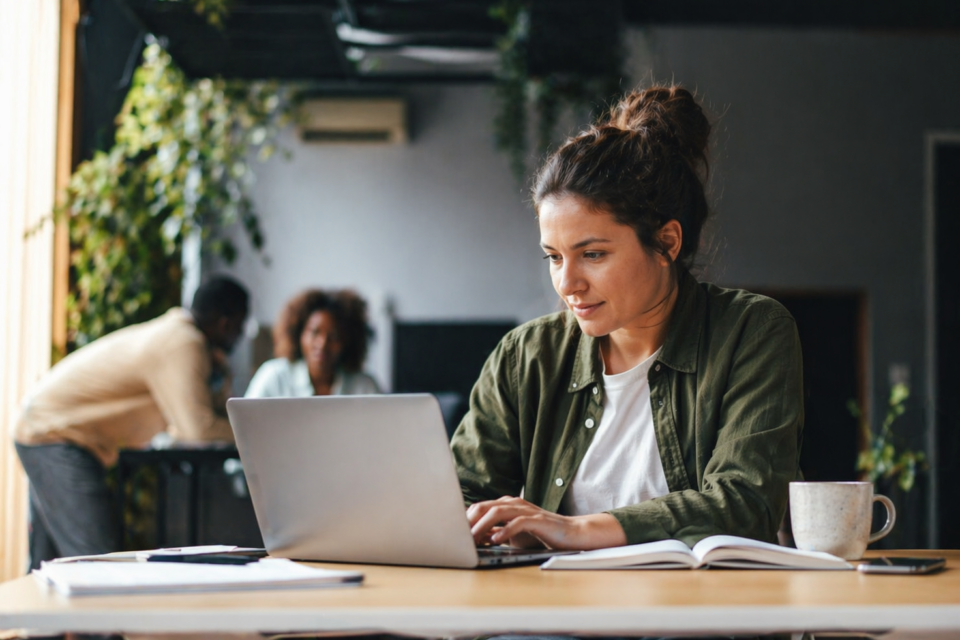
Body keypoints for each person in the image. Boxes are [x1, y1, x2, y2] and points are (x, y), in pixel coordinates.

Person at [452, 85, 804, 552]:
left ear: (667, 243)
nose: (568, 283)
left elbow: (744, 503)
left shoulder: (750, 332)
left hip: (699, 616)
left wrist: (574, 529)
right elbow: (456, 496)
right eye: (553, 258)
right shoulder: (526, 357)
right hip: (556, 619)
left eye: (592, 254)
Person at [14, 275, 250, 570]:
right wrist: (255, 437)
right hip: (54, 434)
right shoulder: (182, 343)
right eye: (240, 326)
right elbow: (198, 429)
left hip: (44, 427)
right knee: (97, 565)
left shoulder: (176, 335)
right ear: (226, 323)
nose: (239, 336)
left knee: (45, 567)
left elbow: (190, 418)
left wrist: (221, 376)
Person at [245, 288, 380, 398]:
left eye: (333, 336)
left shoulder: (365, 386)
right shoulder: (274, 377)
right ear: (299, 334)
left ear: (347, 341)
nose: (322, 344)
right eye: (314, 333)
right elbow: (245, 423)